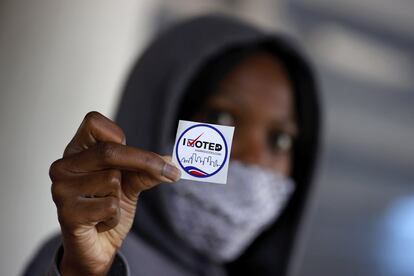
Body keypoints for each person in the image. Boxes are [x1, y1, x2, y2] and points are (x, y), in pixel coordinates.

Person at [24, 14, 320, 276]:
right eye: (221, 117)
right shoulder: (81, 259)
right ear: (155, 118)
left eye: (279, 139)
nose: (254, 159)